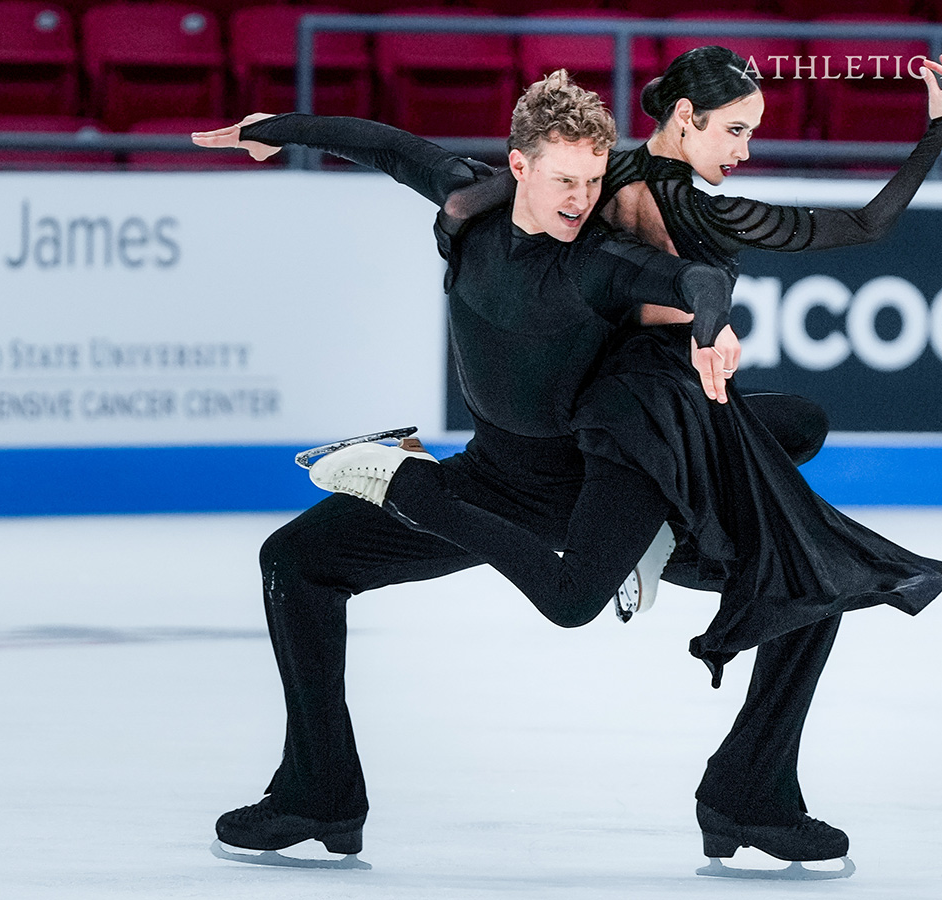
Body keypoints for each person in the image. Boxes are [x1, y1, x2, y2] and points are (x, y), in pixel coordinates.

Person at [301, 46, 942, 865]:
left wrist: (705, 317)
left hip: (651, 405)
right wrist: (934, 132)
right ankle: (637, 577)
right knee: (795, 555)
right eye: (734, 130)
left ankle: (746, 788)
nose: (746, 150)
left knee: (800, 457)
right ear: (685, 119)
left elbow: (439, 168)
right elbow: (861, 227)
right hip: (631, 421)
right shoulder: (661, 203)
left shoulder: (606, 173)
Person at [192, 71, 738, 858]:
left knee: (801, 576)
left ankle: (753, 794)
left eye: (593, 179)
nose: (581, 197)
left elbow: (698, 276)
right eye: (563, 179)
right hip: (489, 480)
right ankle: (322, 794)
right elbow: (384, 144)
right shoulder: (466, 200)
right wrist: (277, 126)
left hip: (588, 498)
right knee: (296, 561)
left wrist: (711, 325)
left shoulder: (603, 262)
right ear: (519, 167)